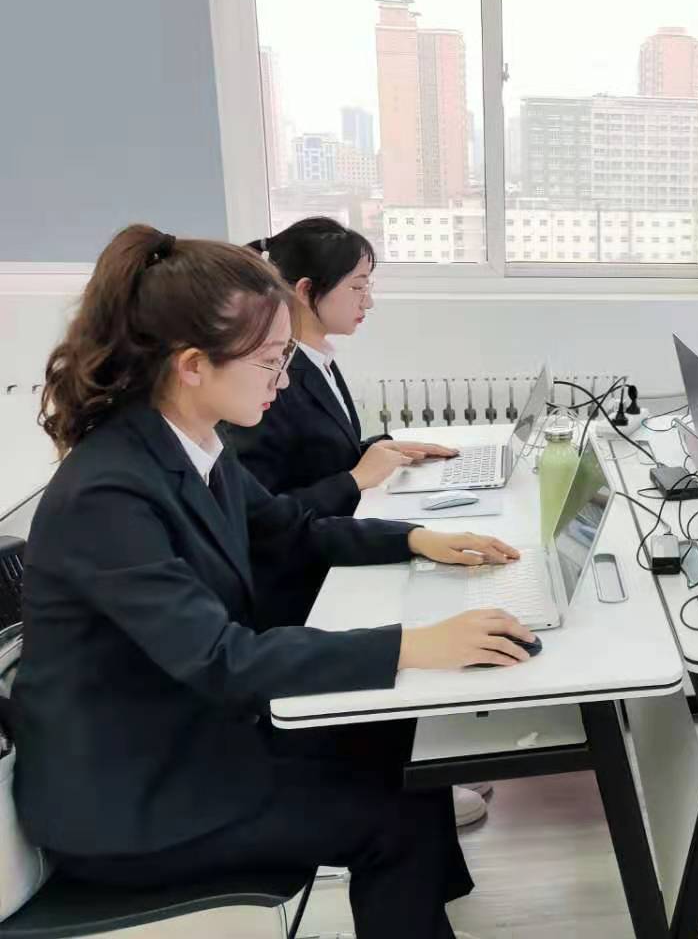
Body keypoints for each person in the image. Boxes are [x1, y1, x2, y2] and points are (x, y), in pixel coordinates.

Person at [13, 225, 532, 938]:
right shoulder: (109, 493)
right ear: (193, 365)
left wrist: (416, 538)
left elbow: (292, 527)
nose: (284, 380)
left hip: (182, 743)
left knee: (395, 750)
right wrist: (414, 644)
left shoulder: (191, 446)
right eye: (269, 361)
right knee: (396, 818)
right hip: (128, 802)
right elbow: (222, 659)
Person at [227, 219, 492, 826]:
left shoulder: (317, 360)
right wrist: (356, 479)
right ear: (304, 290)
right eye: (358, 286)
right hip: (299, 582)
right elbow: (267, 514)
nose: (368, 301)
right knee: (428, 612)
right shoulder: (273, 382)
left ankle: (416, 775)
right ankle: (403, 787)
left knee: (437, 579)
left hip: (323, 544)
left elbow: (325, 455)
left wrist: (386, 449)